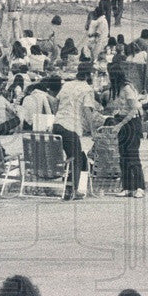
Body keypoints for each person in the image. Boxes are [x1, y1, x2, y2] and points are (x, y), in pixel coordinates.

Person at [52, 63, 100, 199]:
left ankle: (69, 187)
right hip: (71, 127)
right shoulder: (87, 89)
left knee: (70, 156)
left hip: (58, 124)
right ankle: (70, 190)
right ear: (89, 75)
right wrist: (93, 131)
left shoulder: (67, 85)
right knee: (76, 158)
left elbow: (56, 102)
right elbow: (87, 111)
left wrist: (56, 116)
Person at [106, 65, 145, 198]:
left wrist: (120, 124)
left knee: (132, 155)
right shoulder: (117, 89)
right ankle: (128, 187)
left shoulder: (127, 88)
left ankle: (140, 187)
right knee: (123, 156)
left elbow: (134, 109)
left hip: (131, 123)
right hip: (122, 121)